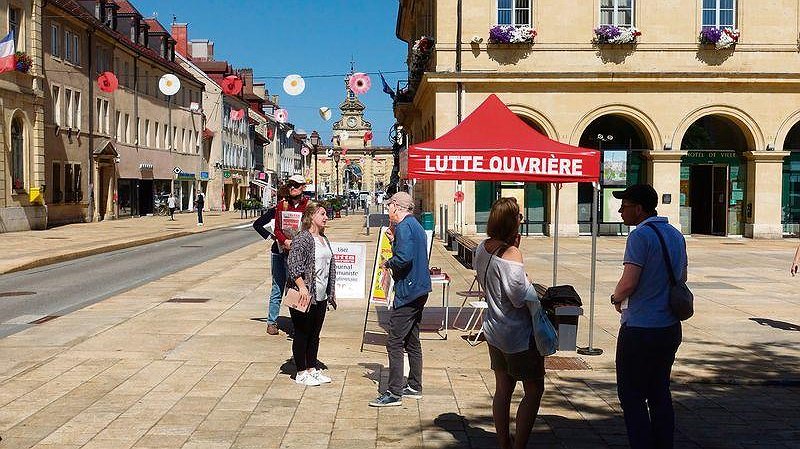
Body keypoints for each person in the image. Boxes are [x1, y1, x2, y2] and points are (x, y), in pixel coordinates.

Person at [611, 184, 686, 449]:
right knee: (659, 392)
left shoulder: (640, 236)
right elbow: (681, 278)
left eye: (625, 206)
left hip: (640, 328)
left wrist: (615, 297)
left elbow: (629, 282)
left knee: (631, 395)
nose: (620, 211)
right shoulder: (676, 235)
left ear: (639, 209)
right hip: (668, 327)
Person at [473, 197, 544, 449]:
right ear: (512, 223)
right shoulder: (511, 253)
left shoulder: (482, 248)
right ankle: (519, 445)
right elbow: (518, 298)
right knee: (534, 389)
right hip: (517, 335)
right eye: (519, 218)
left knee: (503, 388)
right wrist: (527, 279)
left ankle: (503, 441)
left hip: (493, 329)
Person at [369, 191, 432, 407]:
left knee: (395, 341)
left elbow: (404, 259)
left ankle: (394, 392)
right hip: (420, 289)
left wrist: (388, 264)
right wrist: (395, 241)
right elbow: (411, 252)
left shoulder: (405, 226)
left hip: (409, 291)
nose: (388, 211)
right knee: (412, 340)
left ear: (396, 206)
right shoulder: (415, 225)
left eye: (389, 207)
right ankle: (414, 385)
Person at [286, 202, 337, 386]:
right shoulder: (303, 238)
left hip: (321, 295)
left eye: (326, 214)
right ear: (311, 216)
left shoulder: (323, 238)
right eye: (322, 214)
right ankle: (300, 372)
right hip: (305, 295)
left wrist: (331, 292)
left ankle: (311, 368)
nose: (326, 217)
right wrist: (302, 287)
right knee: (302, 332)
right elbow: (293, 264)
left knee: (315, 333)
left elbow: (329, 266)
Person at [267, 175, 310, 335]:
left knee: (299, 287)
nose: (292, 187)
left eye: (296, 185)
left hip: (300, 254)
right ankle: (272, 321)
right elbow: (277, 228)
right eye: (290, 184)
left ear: (302, 187)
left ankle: (299, 323)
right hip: (281, 251)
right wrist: (285, 241)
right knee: (277, 286)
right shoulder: (282, 205)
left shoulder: (309, 205)